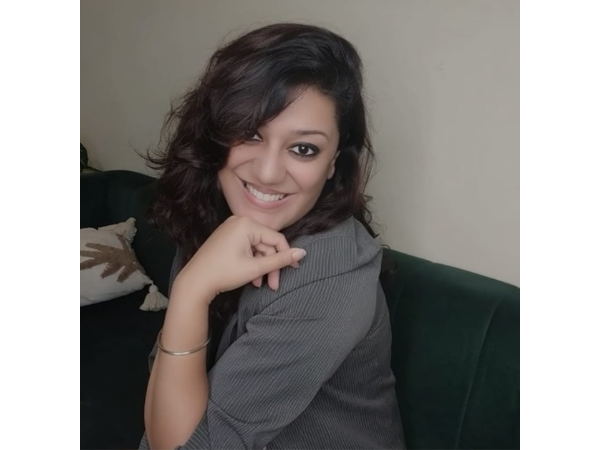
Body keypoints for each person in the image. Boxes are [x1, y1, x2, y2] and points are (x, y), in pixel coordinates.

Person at [139, 23, 405, 450]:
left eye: (303, 149)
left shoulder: (329, 275)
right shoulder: (217, 219)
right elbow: (163, 402)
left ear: (333, 163)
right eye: (250, 133)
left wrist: (190, 290)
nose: (266, 172)